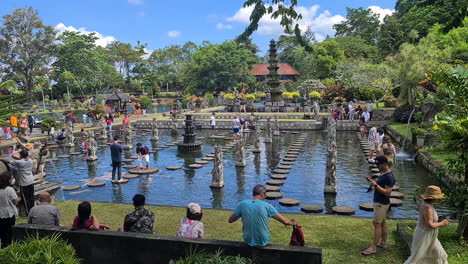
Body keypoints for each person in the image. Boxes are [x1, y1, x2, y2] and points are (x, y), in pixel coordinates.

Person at [228, 185, 298, 247]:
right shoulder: (267, 205)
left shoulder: (242, 204)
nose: (265, 196)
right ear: (262, 194)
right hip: (262, 241)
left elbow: (230, 220)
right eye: (265, 194)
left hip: (247, 240)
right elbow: (285, 222)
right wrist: (293, 222)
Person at [404, 185, 449, 264]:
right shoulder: (428, 207)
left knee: (440, 254)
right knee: (417, 258)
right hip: (425, 234)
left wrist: (436, 217)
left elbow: (426, 218)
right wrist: (442, 223)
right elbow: (430, 225)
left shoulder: (425, 204)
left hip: (428, 235)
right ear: (433, 198)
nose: (438, 199)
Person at [362, 156, 395, 256]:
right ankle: (383, 243)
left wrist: (375, 185)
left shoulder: (389, 176)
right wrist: (373, 182)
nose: (377, 167)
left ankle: (373, 248)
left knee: (377, 224)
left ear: (384, 164)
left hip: (381, 203)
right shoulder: (383, 173)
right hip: (380, 202)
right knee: (383, 223)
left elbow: (387, 193)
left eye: (378, 165)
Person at [0, 171, 19, 248]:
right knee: (9, 232)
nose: (13, 179)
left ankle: (3, 246)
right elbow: (15, 202)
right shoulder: (9, 189)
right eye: (12, 178)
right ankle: (8, 247)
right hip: (9, 213)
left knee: (2, 232)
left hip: (0, 213)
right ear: (8, 180)